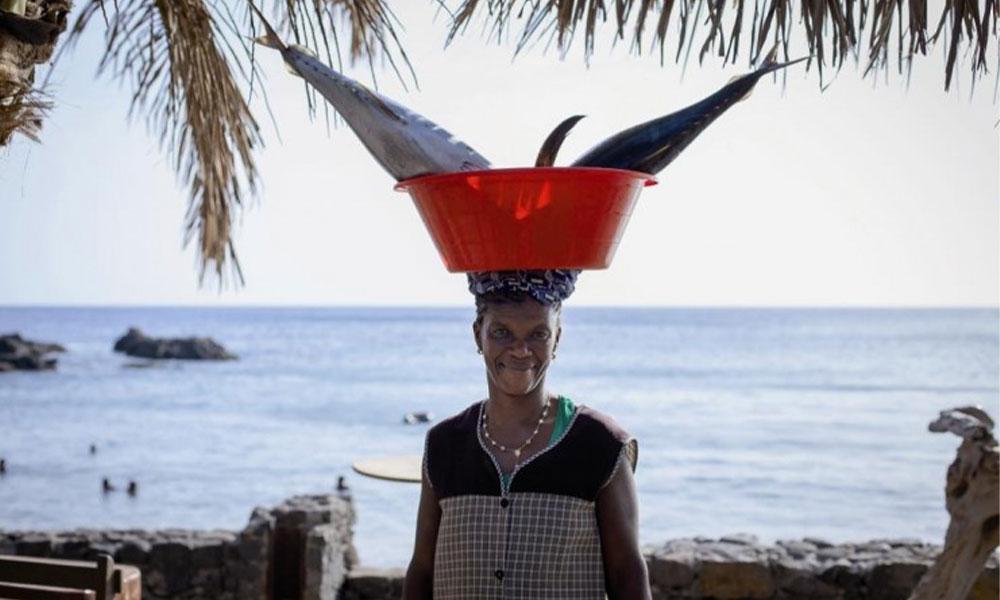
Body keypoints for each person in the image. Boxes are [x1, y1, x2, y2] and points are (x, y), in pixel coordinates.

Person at [404, 270, 651, 599]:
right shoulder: (444, 445)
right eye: (502, 332)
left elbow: (627, 577)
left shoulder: (600, 446)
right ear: (479, 335)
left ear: (557, 339)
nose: (520, 350)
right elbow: (422, 569)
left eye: (538, 334)